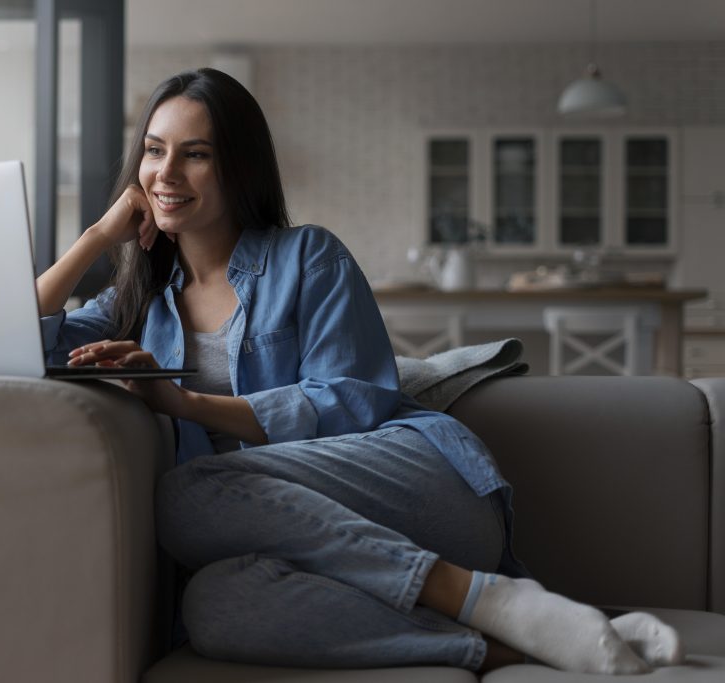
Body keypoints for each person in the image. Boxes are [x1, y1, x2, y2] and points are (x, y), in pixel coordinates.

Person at [35, 68, 683, 674]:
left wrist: (186, 403)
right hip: (298, 540)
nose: (166, 171)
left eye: (195, 153)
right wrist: (95, 237)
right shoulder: (138, 302)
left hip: (412, 489)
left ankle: (480, 592)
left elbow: (352, 402)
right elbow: (19, 338)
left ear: (239, 167)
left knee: (186, 493)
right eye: (154, 150)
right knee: (213, 604)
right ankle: (503, 643)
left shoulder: (307, 255)